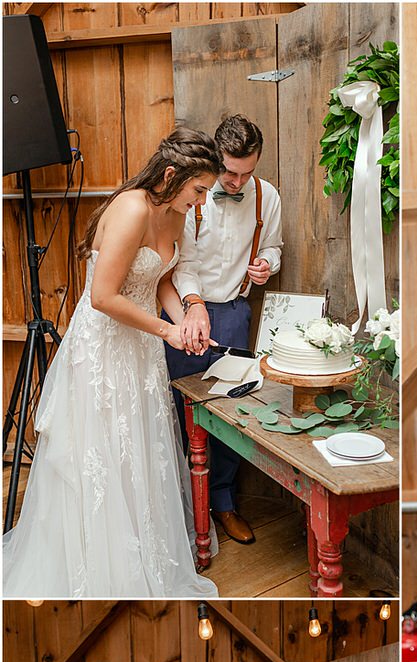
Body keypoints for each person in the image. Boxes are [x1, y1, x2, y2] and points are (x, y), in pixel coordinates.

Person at [3, 128, 221, 598]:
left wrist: (185, 322)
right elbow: (102, 296)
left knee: (139, 449)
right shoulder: (132, 207)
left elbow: (160, 276)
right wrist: (167, 330)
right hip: (104, 348)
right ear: (172, 175)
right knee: (102, 453)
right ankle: (98, 567)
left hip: (141, 349)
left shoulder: (175, 214)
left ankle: (142, 551)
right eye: (199, 189)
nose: (201, 201)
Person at [165, 113, 284, 546]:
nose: (236, 182)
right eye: (230, 173)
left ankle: (224, 502)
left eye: (246, 173)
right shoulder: (192, 195)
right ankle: (182, 502)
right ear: (218, 158)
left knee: (233, 412)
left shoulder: (266, 196)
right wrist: (193, 309)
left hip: (234, 312)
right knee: (184, 407)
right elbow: (183, 263)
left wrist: (267, 264)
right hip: (183, 311)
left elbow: (274, 244)